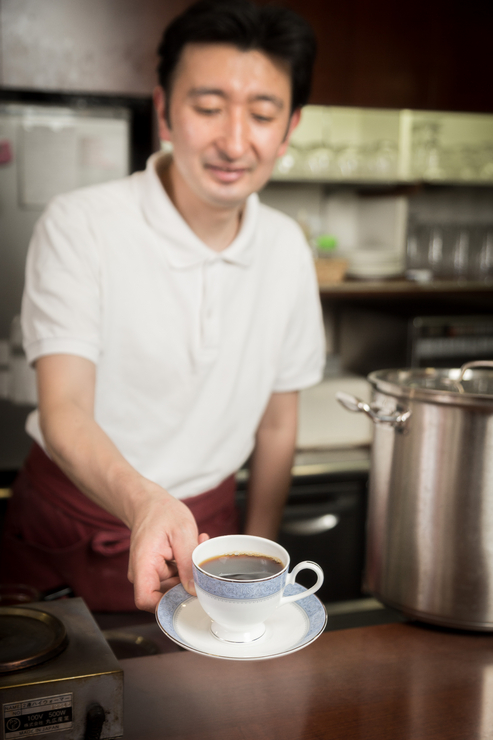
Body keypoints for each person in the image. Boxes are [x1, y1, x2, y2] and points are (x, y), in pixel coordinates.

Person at [1, 0, 325, 612]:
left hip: (210, 535)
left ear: (289, 128)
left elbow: (279, 425)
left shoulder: (285, 248)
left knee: (206, 707)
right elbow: (65, 406)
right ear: (165, 112)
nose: (233, 141)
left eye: (261, 114)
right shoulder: (81, 224)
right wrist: (146, 502)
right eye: (207, 108)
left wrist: (260, 560)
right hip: (67, 528)